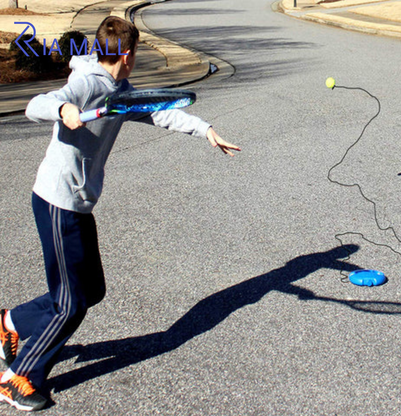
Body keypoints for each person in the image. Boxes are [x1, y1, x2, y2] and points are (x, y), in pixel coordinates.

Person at [0, 16, 240, 412]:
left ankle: (9, 323)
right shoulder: (89, 84)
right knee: (71, 303)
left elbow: (158, 111)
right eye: (136, 54)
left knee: (90, 291)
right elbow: (34, 105)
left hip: (75, 203)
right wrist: (63, 108)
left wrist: (205, 130)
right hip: (58, 201)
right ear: (125, 56)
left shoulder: (119, 89)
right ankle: (19, 377)